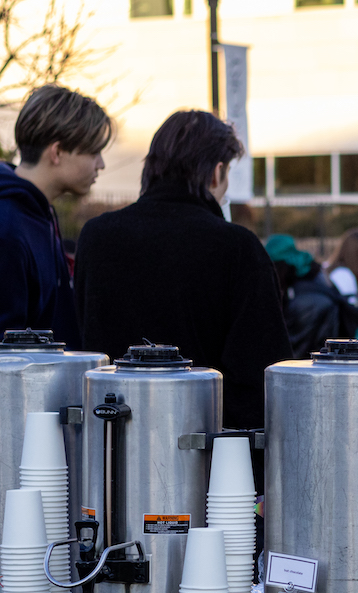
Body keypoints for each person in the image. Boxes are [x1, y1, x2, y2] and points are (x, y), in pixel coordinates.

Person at [75, 110, 291, 430]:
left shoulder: (96, 237)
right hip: (205, 452)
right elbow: (262, 375)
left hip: (109, 439)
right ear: (217, 172)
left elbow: (83, 346)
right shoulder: (236, 247)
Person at [1, 85, 111, 347]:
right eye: (93, 152)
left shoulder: (39, 212)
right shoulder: (8, 227)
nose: (101, 165)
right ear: (57, 152)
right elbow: (7, 357)